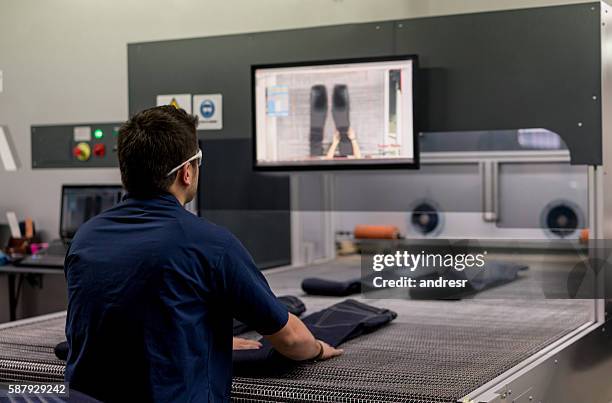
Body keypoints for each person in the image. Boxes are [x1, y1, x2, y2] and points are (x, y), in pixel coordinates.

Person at [64, 106, 343, 402]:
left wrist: (200, 340)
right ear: (187, 172)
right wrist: (319, 348)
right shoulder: (210, 245)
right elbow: (290, 339)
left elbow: (122, 319)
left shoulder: (85, 238)